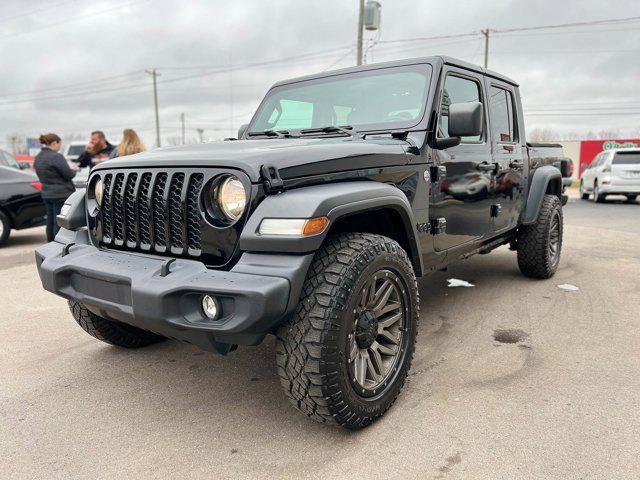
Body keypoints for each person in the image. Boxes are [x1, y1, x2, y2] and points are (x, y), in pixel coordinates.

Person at [34, 133, 78, 242]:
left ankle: (50, 242)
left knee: (50, 221)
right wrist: (74, 169)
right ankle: (57, 245)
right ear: (54, 143)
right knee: (59, 222)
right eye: (59, 144)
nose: (59, 147)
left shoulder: (38, 157)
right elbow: (68, 175)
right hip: (60, 194)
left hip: (46, 194)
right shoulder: (56, 156)